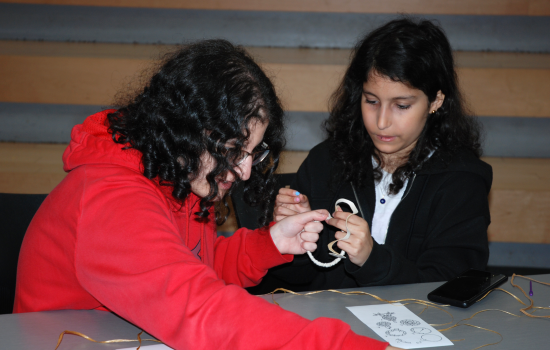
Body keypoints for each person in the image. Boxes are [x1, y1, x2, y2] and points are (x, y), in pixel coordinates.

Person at [14, 40, 394, 350]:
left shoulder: (179, 172)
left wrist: (269, 244)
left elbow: (197, 268)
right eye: (233, 151)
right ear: (186, 131)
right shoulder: (112, 198)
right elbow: (202, 312)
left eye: (252, 153)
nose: (244, 171)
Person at [248, 18, 491, 294]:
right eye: (371, 101)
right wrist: (297, 239)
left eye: (401, 105)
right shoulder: (326, 161)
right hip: (331, 327)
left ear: (435, 101)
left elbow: (452, 287)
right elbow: (293, 281)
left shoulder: (462, 180)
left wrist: (371, 259)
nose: (382, 121)